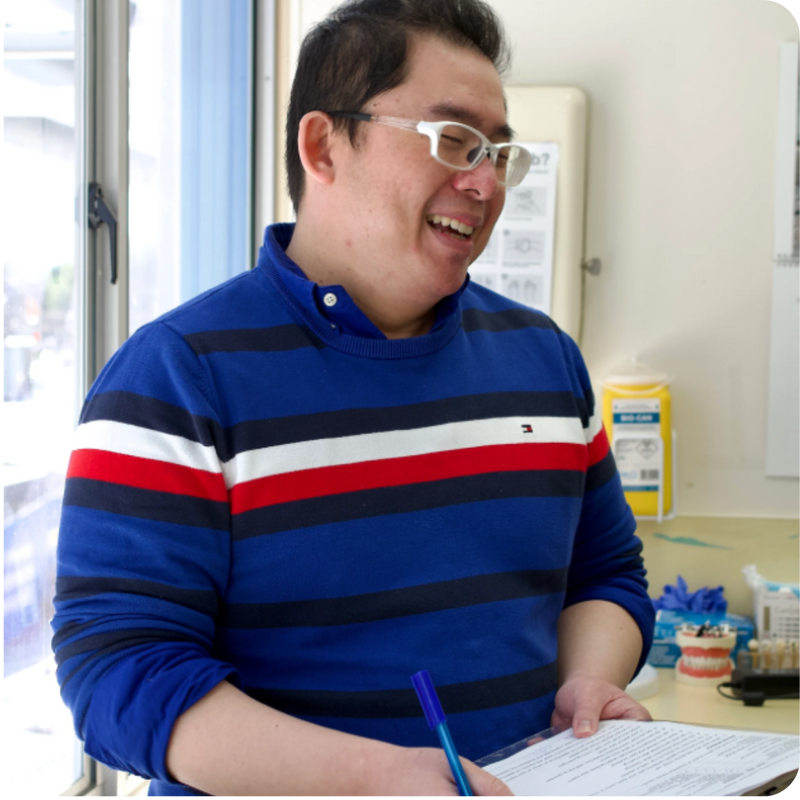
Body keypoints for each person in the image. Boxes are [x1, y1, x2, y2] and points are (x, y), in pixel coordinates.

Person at [52, 1, 655, 797]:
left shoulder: (543, 358)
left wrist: (589, 680)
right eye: (453, 139)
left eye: (497, 152)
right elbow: (118, 675)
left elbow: (606, 576)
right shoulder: (175, 377)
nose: (483, 182)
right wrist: (371, 778)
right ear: (323, 145)